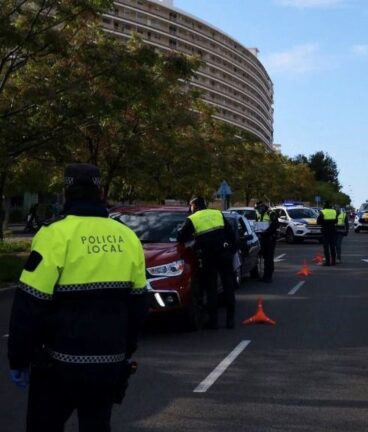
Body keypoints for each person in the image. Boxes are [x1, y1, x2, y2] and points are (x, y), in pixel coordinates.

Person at [7, 163, 148, 431]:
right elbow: (139, 306)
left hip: (58, 364)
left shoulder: (54, 234)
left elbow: (29, 304)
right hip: (109, 363)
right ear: (100, 192)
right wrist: (124, 350)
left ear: (67, 190)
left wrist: (18, 358)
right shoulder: (128, 237)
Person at [177, 197, 238, 330]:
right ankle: (230, 320)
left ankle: (213, 322)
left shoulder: (193, 218)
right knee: (228, 286)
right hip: (224, 254)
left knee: (211, 289)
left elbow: (181, 237)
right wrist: (231, 250)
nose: (190, 209)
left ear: (195, 206)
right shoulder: (217, 213)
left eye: (190, 206)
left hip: (209, 257)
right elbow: (230, 233)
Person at [255, 201, 278, 283]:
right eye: (257, 209)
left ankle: (269, 276)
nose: (258, 210)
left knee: (269, 258)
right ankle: (265, 275)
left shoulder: (271, 213)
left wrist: (266, 233)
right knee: (264, 257)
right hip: (262, 238)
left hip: (270, 239)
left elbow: (275, 225)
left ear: (263, 207)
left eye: (259, 208)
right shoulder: (259, 214)